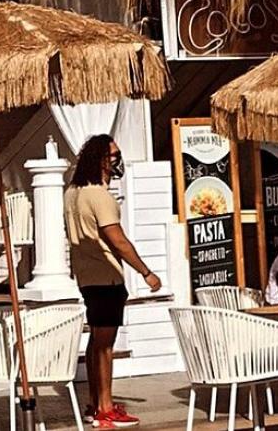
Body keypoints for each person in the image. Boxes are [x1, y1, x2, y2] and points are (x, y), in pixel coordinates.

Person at [64, 135, 161, 429]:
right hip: (105, 277)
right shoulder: (99, 196)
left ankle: (97, 403)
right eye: (113, 155)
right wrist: (146, 271)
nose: (117, 161)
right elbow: (117, 240)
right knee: (105, 346)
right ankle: (105, 407)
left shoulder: (72, 192)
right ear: (101, 160)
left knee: (96, 343)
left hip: (86, 276)